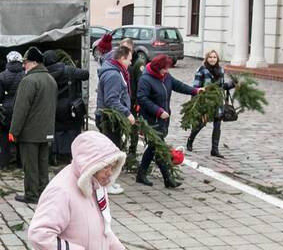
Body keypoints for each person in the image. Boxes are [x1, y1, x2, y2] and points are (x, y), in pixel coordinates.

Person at [136, 54, 199, 188]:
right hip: (151, 120)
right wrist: (158, 111)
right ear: (158, 68)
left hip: (163, 118)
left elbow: (178, 86)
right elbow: (142, 99)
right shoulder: (145, 79)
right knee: (159, 146)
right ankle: (167, 179)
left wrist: (195, 91)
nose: (167, 71)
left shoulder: (166, 77)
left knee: (154, 147)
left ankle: (141, 174)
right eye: (164, 69)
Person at [9, 47, 57, 205]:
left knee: (30, 166)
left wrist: (14, 130)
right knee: (43, 164)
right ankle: (44, 192)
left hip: (30, 132)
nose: (24, 66)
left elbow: (21, 109)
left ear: (34, 63)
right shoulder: (50, 79)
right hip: (46, 130)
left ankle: (31, 195)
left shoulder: (29, 81)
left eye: (26, 62)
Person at [95, 45, 136, 195]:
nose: (130, 63)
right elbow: (112, 100)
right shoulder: (113, 75)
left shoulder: (116, 71)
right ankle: (106, 184)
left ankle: (110, 181)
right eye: (129, 60)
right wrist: (127, 113)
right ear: (122, 58)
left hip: (112, 119)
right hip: (109, 120)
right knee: (110, 154)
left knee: (112, 151)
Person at [186, 49, 235, 158]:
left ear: (217, 59)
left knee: (217, 125)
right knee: (201, 123)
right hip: (205, 101)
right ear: (207, 58)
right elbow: (196, 87)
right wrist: (194, 102)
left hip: (217, 101)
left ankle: (214, 149)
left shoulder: (220, 70)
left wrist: (231, 84)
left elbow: (221, 86)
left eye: (214, 57)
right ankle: (190, 139)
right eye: (210, 57)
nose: (212, 59)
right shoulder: (202, 70)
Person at [43, 50, 90, 161]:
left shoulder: (45, 74)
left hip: (53, 107)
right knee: (72, 130)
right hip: (71, 107)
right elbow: (85, 74)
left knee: (57, 130)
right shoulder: (68, 70)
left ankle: (55, 154)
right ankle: (71, 155)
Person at [0, 50, 25, 168]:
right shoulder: (25, 75)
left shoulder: (2, 76)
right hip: (20, 108)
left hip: (6, 110)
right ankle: (21, 163)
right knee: (20, 135)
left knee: (4, 136)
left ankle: (4, 163)